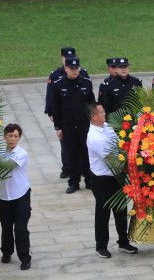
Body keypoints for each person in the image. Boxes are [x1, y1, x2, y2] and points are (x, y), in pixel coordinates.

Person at [86, 103, 138, 258]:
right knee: (103, 213)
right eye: (101, 112)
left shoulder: (107, 126)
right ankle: (100, 246)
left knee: (121, 210)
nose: (104, 113)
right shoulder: (94, 137)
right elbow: (113, 159)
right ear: (93, 117)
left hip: (116, 177)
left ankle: (123, 241)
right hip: (102, 179)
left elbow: (118, 143)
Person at [51, 56, 95, 194]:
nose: (74, 71)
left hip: (84, 126)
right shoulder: (58, 85)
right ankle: (74, 182)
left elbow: (91, 104)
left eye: (76, 68)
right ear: (66, 68)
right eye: (71, 68)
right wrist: (58, 127)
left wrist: (94, 122)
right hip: (68, 126)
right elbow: (55, 108)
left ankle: (89, 180)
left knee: (87, 154)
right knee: (72, 155)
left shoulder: (86, 83)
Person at [45, 46, 89, 180]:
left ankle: (82, 170)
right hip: (65, 117)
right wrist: (51, 112)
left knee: (83, 146)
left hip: (81, 118)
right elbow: (51, 95)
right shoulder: (55, 74)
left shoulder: (83, 73)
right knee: (66, 145)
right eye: (66, 58)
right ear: (61, 59)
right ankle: (67, 168)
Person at [0, 123, 32, 270]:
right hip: (5, 196)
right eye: (10, 136)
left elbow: (7, 166)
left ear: (19, 138)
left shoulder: (22, 153)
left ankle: (25, 258)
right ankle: (6, 252)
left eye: (16, 136)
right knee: (6, 227)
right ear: (5, 136)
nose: (13, 139)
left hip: (21, 195)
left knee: (21, 228)